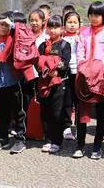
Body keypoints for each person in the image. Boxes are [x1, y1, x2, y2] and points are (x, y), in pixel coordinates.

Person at [74, 1, 104, 160]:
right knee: (81, 113)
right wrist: (85, 68)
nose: (93, 18)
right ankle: (80, 145)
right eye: (91, 14)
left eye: (97, 15)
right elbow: (80, 53)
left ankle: (97, 147)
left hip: (100, 77)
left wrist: (96, 68)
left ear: (103, 16)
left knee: (100, 113)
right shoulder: (84, 33)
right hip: (84, 76)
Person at [0, 14, 26, 154]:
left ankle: (20, 139)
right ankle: (3, 139)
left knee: (18, 113)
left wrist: (13, 25)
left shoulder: (16, 39)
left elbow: (25, 33)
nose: (3, 27)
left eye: (6, 24)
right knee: (2, 113)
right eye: (0, 24)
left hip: (13, 81)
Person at [38, 15, 71, 154]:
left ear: (62, 29)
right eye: (50, 27)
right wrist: (46, 69)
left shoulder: (65, 45)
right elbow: (37, 63)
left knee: (57, 113)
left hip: (59, 83)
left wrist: (55, 70)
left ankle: (57, 141)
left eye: (56, 27)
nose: (52, 30)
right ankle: (47, 139)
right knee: (45, 112)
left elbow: (65, 63)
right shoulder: (42, 45)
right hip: (44, 83)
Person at [63, 11, 80, 141]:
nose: (72, 25)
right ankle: (67, 127)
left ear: (80, 24)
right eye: (69, 22)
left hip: (79, 72)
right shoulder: (62, 39)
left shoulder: (82, 38)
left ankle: (79, 126)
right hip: (67, 73)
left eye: (75, 22)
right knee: (67, 101)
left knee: (79, 101)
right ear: (64, 25)